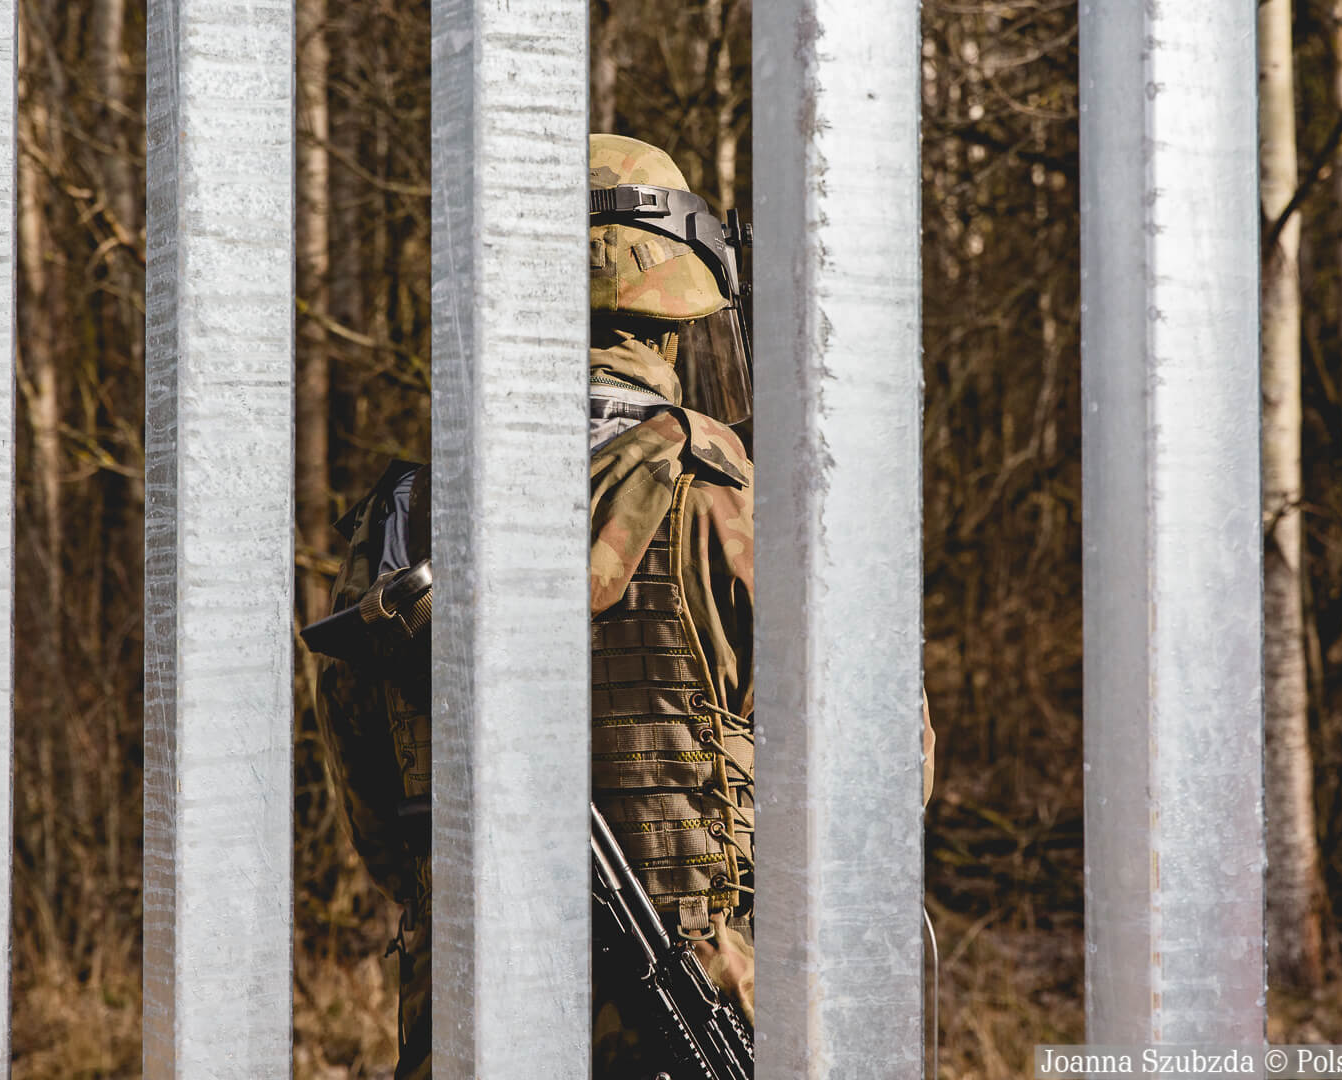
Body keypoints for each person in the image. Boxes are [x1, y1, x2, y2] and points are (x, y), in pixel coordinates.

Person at [311, 133, 931, 1077]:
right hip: (710, 1016)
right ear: (682, 308)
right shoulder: (750, 502)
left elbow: (382, 828)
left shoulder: (403, 528)